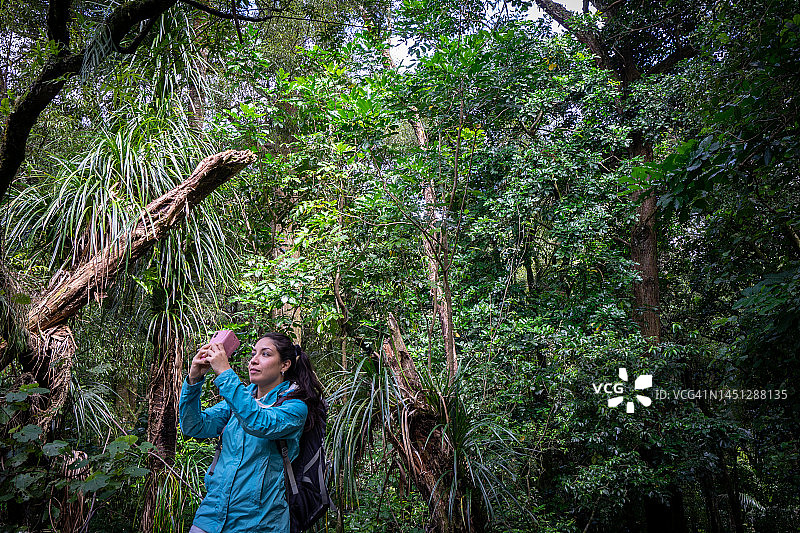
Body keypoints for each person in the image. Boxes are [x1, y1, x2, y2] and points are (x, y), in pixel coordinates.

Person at [179, 332, 324, 533]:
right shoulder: (239, 400)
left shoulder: (295, 407)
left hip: (259, 523)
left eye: (265, 354)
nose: (254, 361)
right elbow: (194, 426)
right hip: (210, 518)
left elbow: (258, 423)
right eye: (253, 353)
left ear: (285, 365)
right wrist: (194, 379)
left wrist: (224, 373)